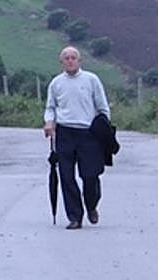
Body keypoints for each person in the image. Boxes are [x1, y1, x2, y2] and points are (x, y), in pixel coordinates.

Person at [43, 46, 111, 230]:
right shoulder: (56, 83)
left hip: (88, 133)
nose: (70, 60)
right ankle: (75, 216)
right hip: (65, 133)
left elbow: (103, 108)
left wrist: (104, 129)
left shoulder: (91, 80)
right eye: (66, 58)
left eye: (73, 57)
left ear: (79, 61)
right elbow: (50, 107)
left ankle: (91, 205)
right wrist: (49, 122)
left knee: (90, 175)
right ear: (62, 62)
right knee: (66, 175)